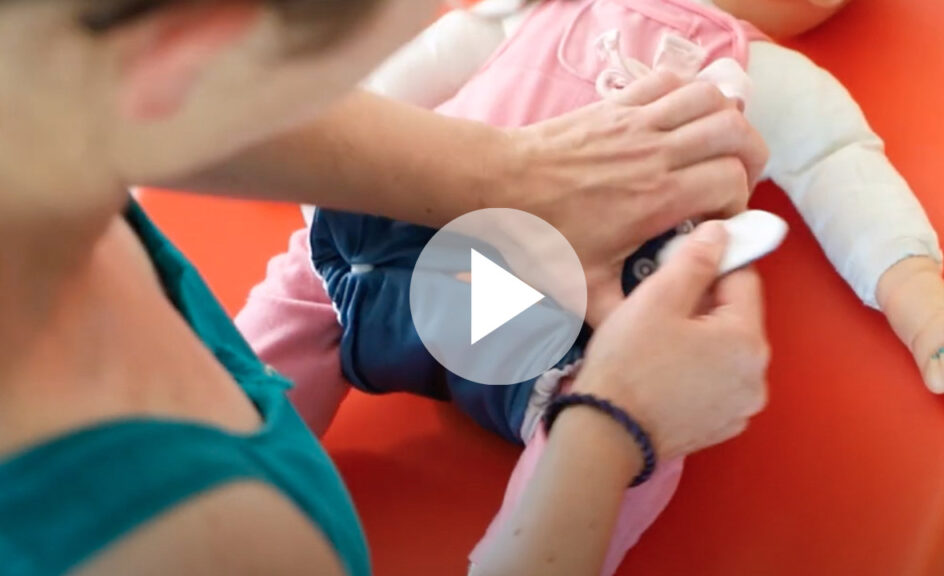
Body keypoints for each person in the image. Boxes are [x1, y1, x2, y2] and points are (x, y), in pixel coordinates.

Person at [0, 1, 769, 575]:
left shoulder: (49, 119)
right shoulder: (210, 542)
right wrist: (613, 425)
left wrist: (512, 173)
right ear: (195, 50)